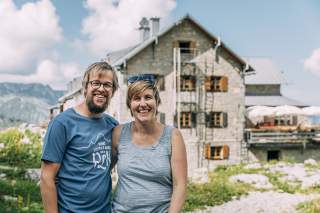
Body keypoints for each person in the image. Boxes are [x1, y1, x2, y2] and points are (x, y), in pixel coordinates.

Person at [40, 62, 119, 213]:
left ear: (113, 91)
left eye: (107, 85)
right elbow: (46, 178)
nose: (101, 89)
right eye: (96, 83)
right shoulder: (62, 123)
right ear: (85, 87)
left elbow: (107, 165)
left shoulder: (113, 125)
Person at [111, 74, 187, 212]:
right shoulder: (118, 134)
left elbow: (180, 186)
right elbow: (102, 172)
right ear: (130, 104)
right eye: (136, 98)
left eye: (148, 97)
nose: (143, 104)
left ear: (157, 101)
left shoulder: (173, 136)